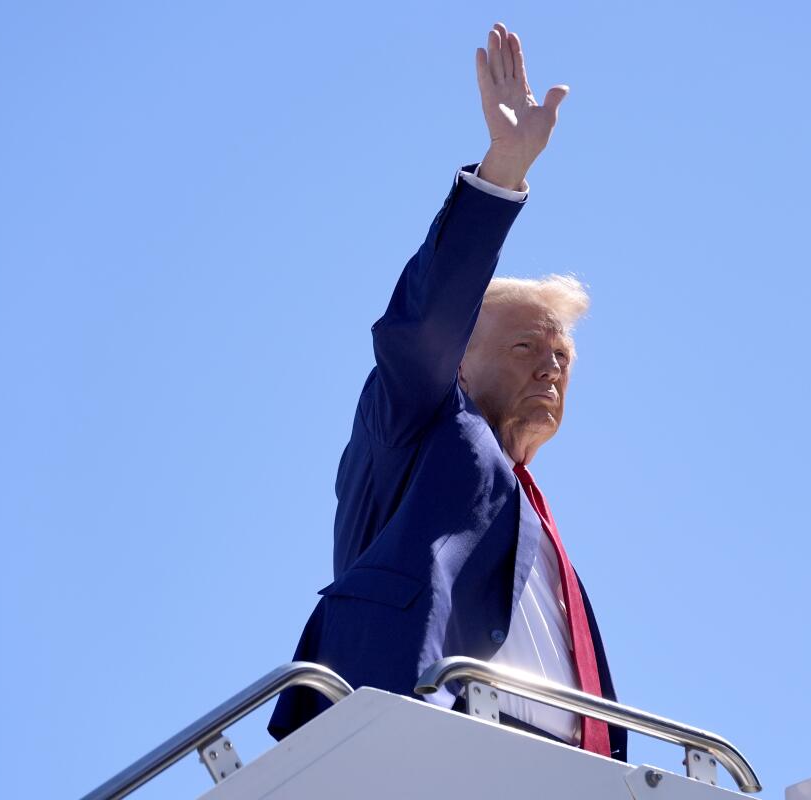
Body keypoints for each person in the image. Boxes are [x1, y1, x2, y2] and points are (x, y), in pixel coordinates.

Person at [267, 22, 626, 761]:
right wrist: (503, 173)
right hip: (423, 744)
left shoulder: (538, 524)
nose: (552, 366)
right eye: (527, 345)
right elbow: (424, 324)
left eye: (562, 354)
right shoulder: (421, 421)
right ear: (459, 361)